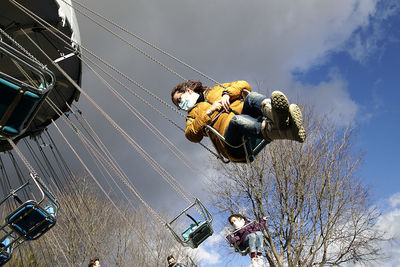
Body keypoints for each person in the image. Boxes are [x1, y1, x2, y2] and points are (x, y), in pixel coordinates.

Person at [171, 80, 306, 162]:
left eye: (179, 100)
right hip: (233, 144)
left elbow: (243, 84)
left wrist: (227, 94)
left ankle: (279, 120)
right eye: (178, 105)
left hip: (251, 122)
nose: (180, 105)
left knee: (251, 97)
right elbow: (191, 135)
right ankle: (283, 126)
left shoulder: (216, 89)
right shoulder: (191, 116)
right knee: (237, 121)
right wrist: (209, 111)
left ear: (188, 91)